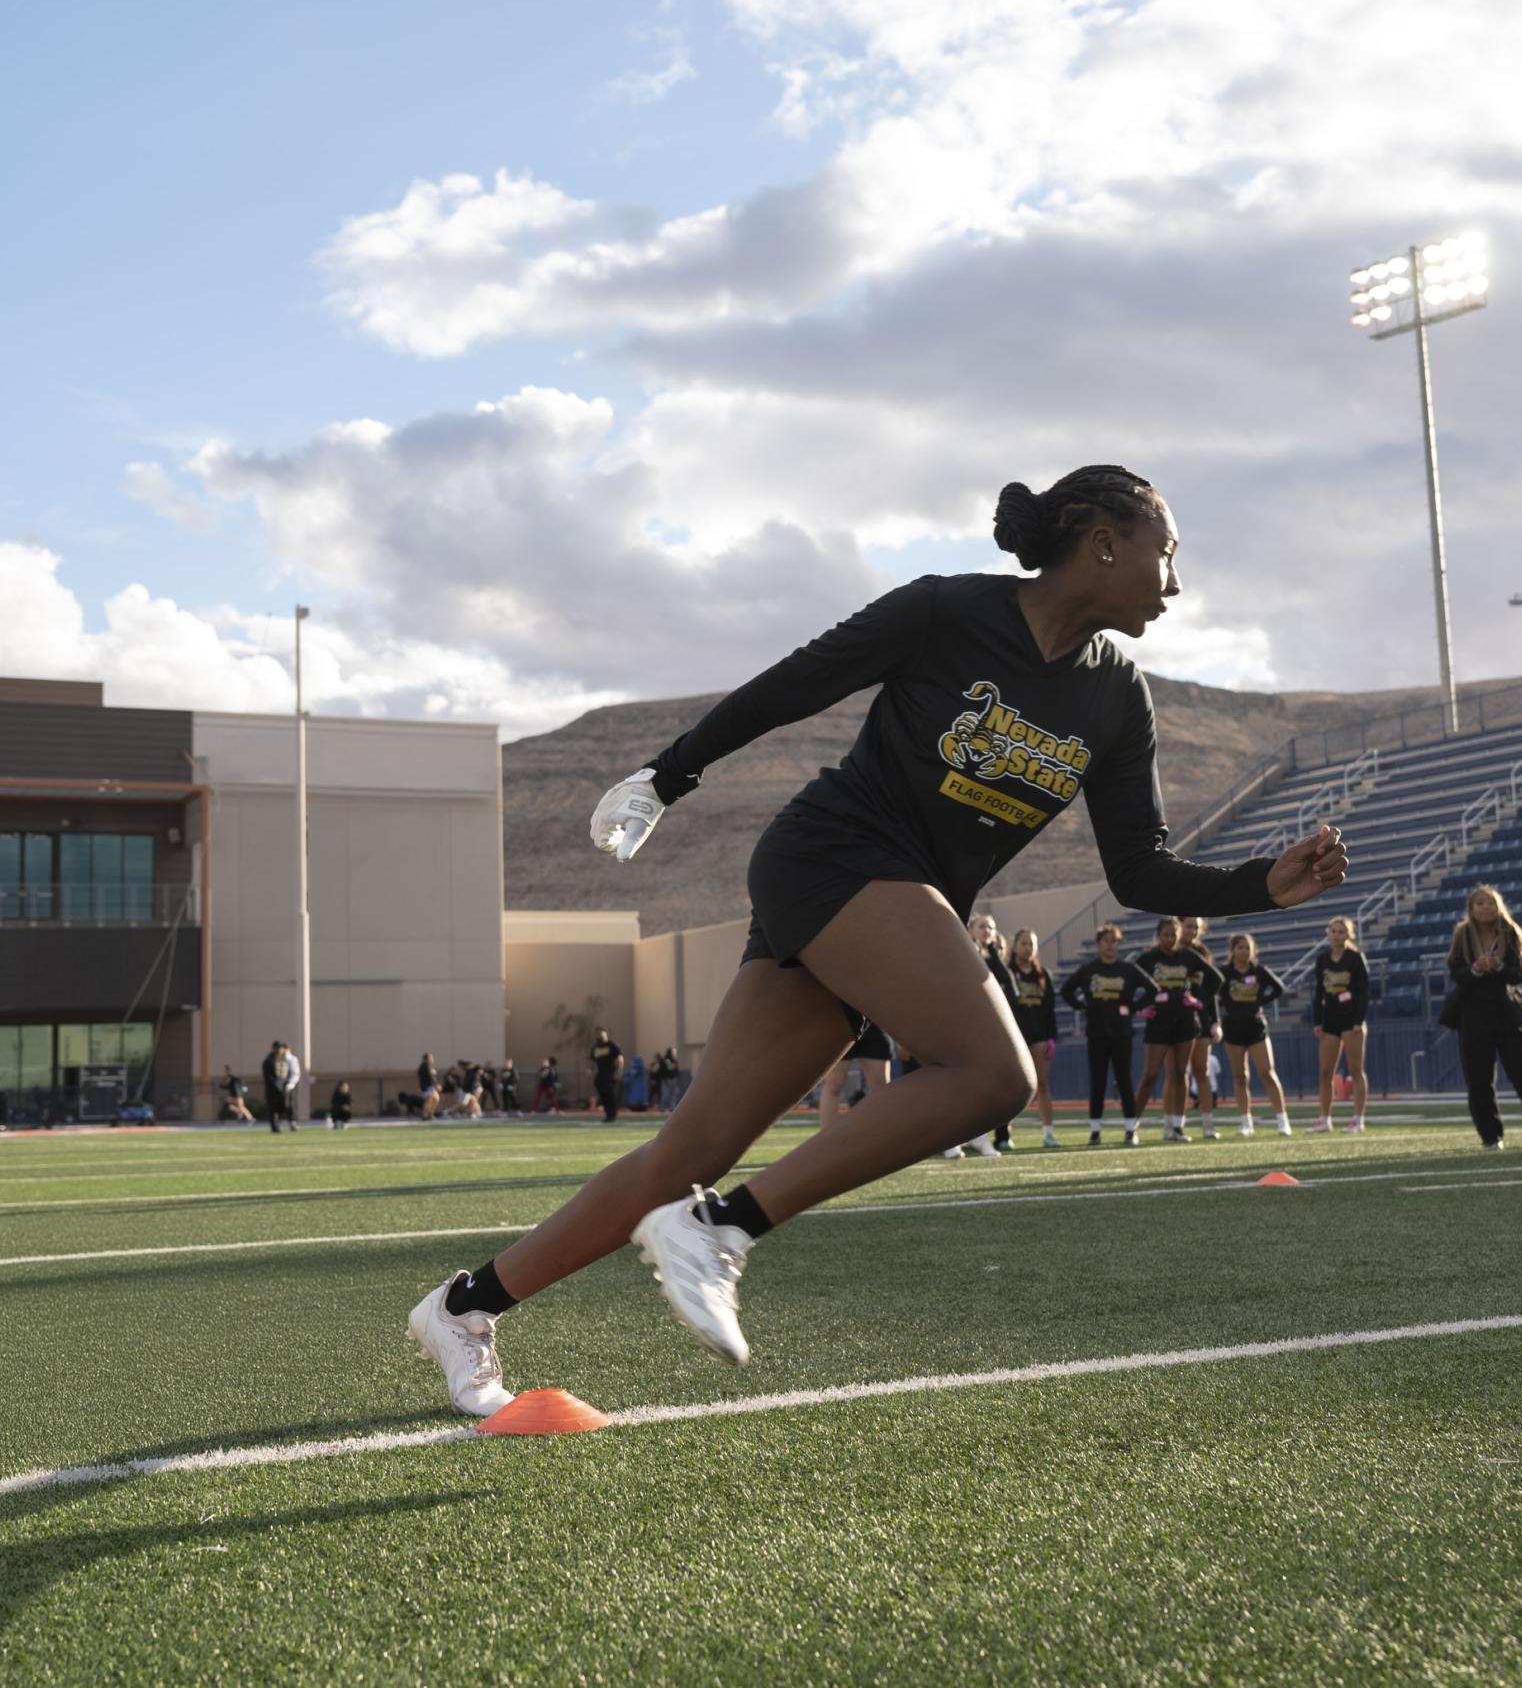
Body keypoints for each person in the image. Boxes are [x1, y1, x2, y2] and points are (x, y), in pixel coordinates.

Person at [405, 463, 1348, 1415]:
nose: (1175, 581)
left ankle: (464, 1306)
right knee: (994, 1075)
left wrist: (1261, 886)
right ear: (1105, 541)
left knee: (688, 1151)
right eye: (1167, 553)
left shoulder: (1117, 697)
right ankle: (722, 1229)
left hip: (891, 907)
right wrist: (666, 777)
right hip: (832, 857)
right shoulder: (949, 612)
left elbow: (1140, 868)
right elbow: (798, 683)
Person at [1444, 885, 1522, 1150]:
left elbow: (1519, 973)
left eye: (1490, 903)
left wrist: (1499, 967)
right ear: (1471, 909)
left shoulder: (1509, 932)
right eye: (1480, 903)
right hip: (1473, 1015)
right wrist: (1476, 969)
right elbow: (1457, 974)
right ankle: (1490, 1135)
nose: (1485, 907)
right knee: (1479, 1079)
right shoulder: (1462, 935)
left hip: (1508, 1013)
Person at [1062, 924, 1156, 1144]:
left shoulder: (1128, 970)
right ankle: (1095, 1131)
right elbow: (1066, 990)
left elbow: (1153, 989)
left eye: (1115, 941)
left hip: (1122, 1033)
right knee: (1098, 1082)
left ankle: (1131, 1130)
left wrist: (1133, 1007)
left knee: (1124, 1081)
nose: (1110, 945)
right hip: (1096, 1033)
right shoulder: (1088, 970)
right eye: (1106, 940)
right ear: (1098, 943)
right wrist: (1081, 1007)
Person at [1132, 915, 1217, 1142]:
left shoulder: (1189, 956)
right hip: (1158, 1023)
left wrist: (1200, 1002)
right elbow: (1129, 982)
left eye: (1173, 935)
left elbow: (1216, 979)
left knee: (1182, 1073)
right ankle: (1131, 1126)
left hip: (1186, 1022)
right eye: (1166, 935)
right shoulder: (1149, 958)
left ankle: (1178, 1127)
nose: (1170, 939)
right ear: (1158, 935)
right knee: (1150, 1074)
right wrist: (1139, 1008)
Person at [1218, 932, 1288, 1136]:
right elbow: (1213, 994)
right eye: (1239, 947)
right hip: (1233, 1028)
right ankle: (1245, 1122)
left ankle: (1282, 1120)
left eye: (1247, 947)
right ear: (1232, 951)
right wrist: (1225, 1006)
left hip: (1256, 1026)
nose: (1244, 951)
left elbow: (1278, 988)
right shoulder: (1224, 973)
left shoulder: (1259, 971)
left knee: (1267, 1071)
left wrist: (1259, 1002)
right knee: (1240, 1076)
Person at [1310, 916, 1370, 1133]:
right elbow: (1318, 993)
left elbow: (1364, 992)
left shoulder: (1355, 958)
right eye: (1333, 930)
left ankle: (1358, 1119)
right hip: (1330, 1020)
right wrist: (1317, 1021)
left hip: (1351, 1020)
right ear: (1328, 933)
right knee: (1325, 1072)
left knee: (1355, 1070)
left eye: (1341, 931)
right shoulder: (1322, 960)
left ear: (1349, 935)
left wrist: (1358, 1020)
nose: (1336, 935)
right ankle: (1324, 1119)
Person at [965, 913, 1018, 1153]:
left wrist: (994, 952)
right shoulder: (963, 950)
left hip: (988, 1025)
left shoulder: (993, 956)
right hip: (965, 1022)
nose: (987, 931)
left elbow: (1010, 985)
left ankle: (979, 1135)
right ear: (970, 929)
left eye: (991, 928)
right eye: (982, 926)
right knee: (963, 1081)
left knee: (988, 1080)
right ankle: (955, 1137)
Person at [1007, 928, 1062, 1147]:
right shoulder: (1008, 972)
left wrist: (1052, 1038)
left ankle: (1048, 1133)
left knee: (1043, 1084)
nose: (1028, 948)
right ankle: (1005, 1135)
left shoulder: (1043, 975)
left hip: (1039, 1036)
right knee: (1012, 1086)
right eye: (1023, 943)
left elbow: (1050, 1009)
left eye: (1031, 944)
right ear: (1015, 946)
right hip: (1015, 1036)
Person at [1177, 915, 1229, 1140]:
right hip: (1176, 1020)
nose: (1193, 931)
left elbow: (1212, 992)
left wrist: (1215, 1021)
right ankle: (1177, 1125)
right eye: (1189, 927)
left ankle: (1208, 1124)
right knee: (1179, 1074)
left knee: (1202, 1071)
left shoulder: (1203, 954)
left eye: (1196, 928)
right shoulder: (1171, 954)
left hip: (1201, 1019)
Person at [818, 1019, 896, 1130]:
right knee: (834, 1086)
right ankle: (826, 1136)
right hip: (842, 1022)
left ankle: (883, 1133)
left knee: (881, 1089)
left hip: (873, 1022)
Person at [259, 1040, 297, 1135]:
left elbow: (288, 1074)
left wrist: (287, 1085)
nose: (280, 1050)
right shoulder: (268, 1061)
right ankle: (275, 1127)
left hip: (282, 1088)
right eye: (279, 1048)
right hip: (273, 1090)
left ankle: (280, 1124)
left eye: (281, 1048)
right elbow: (269, 1078)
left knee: (283, 1107)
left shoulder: (283, 1060)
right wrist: (277, 1087)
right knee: (273, 1109)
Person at [591, 1029, 625, 1123]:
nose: (601, 1037)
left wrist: (619, 1070)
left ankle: (613, 1114)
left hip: (610, 1074)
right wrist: (591, 1070)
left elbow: (619, 1057)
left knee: (610, 1095)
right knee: (603, 1096)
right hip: (600, 1075)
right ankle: (608, 1115)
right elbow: (592, 1060)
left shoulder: (611, 1045)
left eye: (602, 1035)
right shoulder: (595, 1047)